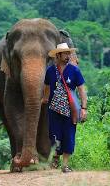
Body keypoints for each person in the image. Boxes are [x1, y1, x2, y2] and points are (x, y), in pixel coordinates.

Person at [41, 43, 87, 173]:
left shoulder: (74, 71)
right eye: (65, 53)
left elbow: (82, 90)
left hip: (70, 110)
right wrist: (44, 99)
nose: (68, 56)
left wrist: (83, 108)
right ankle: (55, 158)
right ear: (58, 55)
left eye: (69, 53)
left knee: (69, 136)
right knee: (54, 135)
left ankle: (65, 165)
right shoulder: (50, 71)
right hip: (54, 110)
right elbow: (47, 88)